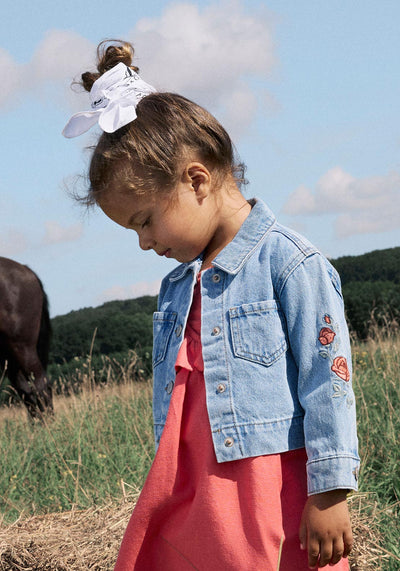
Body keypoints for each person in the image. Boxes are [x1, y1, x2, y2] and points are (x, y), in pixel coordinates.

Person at [63, 40, 360, 571]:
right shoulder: (177, 287)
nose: (144, 243)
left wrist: (330, 490)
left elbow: (327, 379)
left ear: (196, 180)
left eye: (145, 221)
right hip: (196, 493)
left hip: (267, 491)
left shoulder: (289, 263)